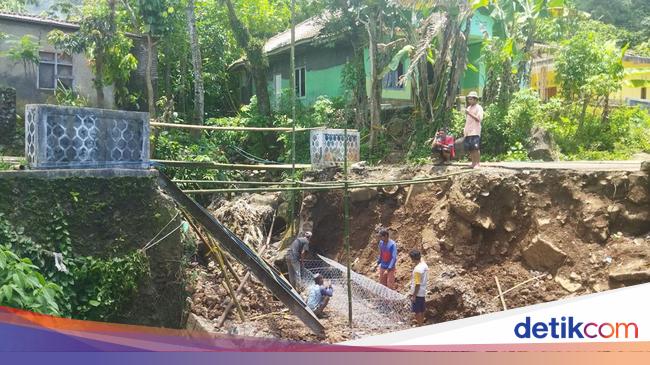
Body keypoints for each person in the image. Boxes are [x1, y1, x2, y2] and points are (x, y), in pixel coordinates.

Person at [463, 91, 484, 169]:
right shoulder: (469, 108)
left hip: (475, 131)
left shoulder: (479, 108)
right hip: (468, 131)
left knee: (475, 148)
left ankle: (478, 164)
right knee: (470, 148)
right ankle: (473, 163)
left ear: (475, 100)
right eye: (469, 99)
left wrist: (469, 113)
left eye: (471, 99)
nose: (469, 101)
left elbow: (479, 119)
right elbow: (467, 121)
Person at [409, 249, 428, 326]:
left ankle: (420, 325)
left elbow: (417, 284)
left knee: (417, 311)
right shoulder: (424, 265)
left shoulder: (417, 270)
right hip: (423, 291)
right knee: (422, 309)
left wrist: (414, 295)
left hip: (417, 293)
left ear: (413, 259)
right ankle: (421, 324)